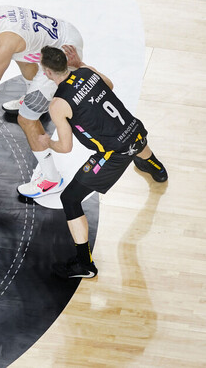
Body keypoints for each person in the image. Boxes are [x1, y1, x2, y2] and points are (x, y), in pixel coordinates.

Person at [39, 45, 168, 279]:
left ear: (47, 72)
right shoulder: (88, 73)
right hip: (134, 131)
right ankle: (158, 169)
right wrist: (81, 64)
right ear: (66, 63)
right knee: (130, 137)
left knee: (69, 198)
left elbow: (65, 147)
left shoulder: (58, 104)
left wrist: (47, 142)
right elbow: (109, 86)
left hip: (113, 153)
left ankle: (84, 264)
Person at [0, 0, 84, 198]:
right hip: (64, 32)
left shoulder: (4, 44)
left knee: (26, 119)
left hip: (65, 54)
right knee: (22, 52)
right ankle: (34, 97)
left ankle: (52, 179)